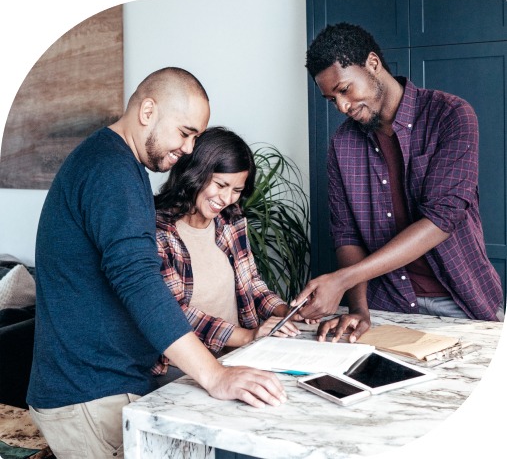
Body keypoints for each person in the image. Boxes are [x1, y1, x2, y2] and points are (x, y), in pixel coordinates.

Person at [27, 67, 287, 459]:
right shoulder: (111, 170)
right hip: (91, 395)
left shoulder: (113, 164)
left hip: (104, 387)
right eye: (185, 133)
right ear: (148, 110)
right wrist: (215, 374)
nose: (187, 149)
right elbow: (140, 281)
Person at [295, 22, 504, 343]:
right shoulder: (342, 144)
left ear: (373, 65)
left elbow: (441, 219)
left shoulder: (451, 115)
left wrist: (342, 280)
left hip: (462, 302)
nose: (342, 107)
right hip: (386, 306)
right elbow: (347, 234)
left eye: (344, 90)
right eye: (330, 100)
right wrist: (359, 308)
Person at [151, 126, 299, 379]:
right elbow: (173, 314)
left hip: (238, 359)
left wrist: (285, 312)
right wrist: (247, 336)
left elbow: (251, 283)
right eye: (221, 184)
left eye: (237, 190)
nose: (227, 198)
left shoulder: (231, 220)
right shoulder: (156, 231)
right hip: (182, 372)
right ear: (195, 172)